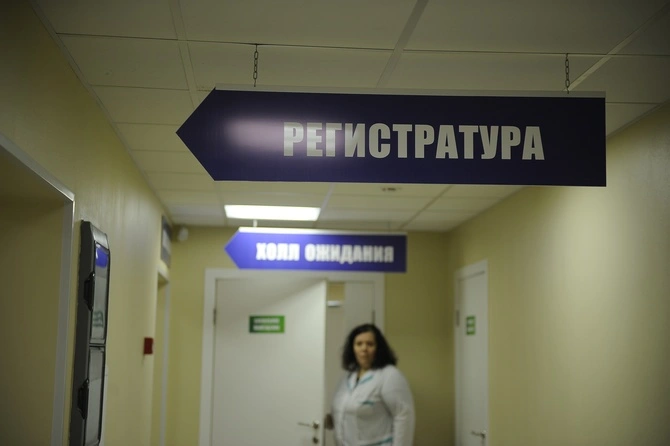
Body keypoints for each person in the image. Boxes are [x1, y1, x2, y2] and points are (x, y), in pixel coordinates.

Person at [327, 323, 415, 446]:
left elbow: (403, 416)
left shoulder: (389, 375)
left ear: (378, 348)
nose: (364, 348)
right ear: (353, 349)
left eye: (370, 344)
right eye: (359, 344)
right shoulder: (347, 377)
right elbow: (342, 412)